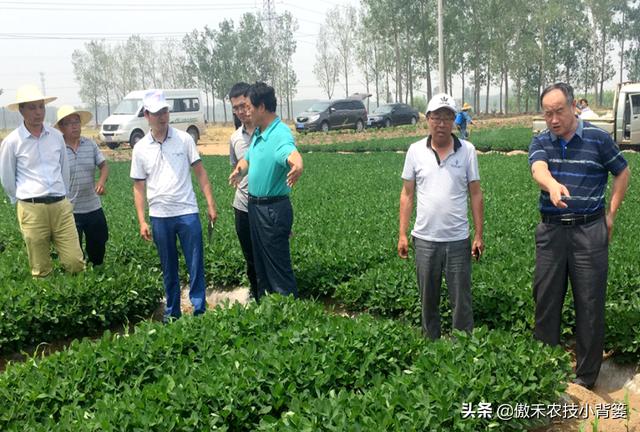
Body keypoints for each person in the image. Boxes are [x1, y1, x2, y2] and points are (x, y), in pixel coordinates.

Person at [528, 82, 630, 390]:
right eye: (548, 113)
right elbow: (538, 169)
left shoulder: (599, 139)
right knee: (545, 300)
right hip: (552, 232)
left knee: (589, 303)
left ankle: (586, 378)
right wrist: (552, 185)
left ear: (574, 107)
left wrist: (610, 214)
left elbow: (622, 172)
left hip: (589, 231)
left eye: (559, 111)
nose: (554, 119)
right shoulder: (541, 140)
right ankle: (544, 371)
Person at [398, 93, 484, 340]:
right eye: (437, 117)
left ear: (455, 121)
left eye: (448, 117)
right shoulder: (415, 151)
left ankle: (463, 349)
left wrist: (478, 235)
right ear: (428, 119)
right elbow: (407, 194)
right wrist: (402, 234)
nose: (442, 123)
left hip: (458, 239)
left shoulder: (467, 150)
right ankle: (431, 347)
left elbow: (476, 194)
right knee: (428, 301)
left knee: (462, 302)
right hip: (424, 239)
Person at [130, 89, 218, 321]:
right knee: (169, 267)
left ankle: (199, 310)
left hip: (187, 212)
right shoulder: (140, 149)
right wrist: (142, 220)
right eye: (157, 112)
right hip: (160, 216)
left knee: (196, 264)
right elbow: (138, 187)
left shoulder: (185, 139)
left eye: (165, 111)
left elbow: (200, 173)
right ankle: (173, 312)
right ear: (147, 115)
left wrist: (210, 203)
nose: (162, 116)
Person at [228, 82, 303, 301]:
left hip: (272, 209)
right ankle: (265, 312)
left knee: (277, 271)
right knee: (261, 267)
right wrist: (239, 169)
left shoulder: (279, 133)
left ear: (261, 107)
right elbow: (248, 158)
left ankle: (288, 315)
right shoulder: (261, 133)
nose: (246, 111)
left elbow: (291, 153)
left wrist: (297, 165)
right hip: (255, 207)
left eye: (249, 106)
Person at [0, 84, 84, 276]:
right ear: (21, 110)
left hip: (60, 206)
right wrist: (20, 199)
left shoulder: (56, 137)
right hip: (32, 208)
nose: (38, 112)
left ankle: (75, 300)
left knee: (75, 262)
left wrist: (64, 197)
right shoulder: (12, 142)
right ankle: (48, 301)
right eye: (32, 108)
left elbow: (64, 170)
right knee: (41, 268)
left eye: (41, 107)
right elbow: (6, 177)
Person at [55, 105, 109, 266]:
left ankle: (97, 271)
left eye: (77, 122)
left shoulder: (90, 145)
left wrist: (100, 182)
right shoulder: (57, 150)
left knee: (99, 244)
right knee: (74, 253)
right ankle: (80, 279)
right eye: (69, 123)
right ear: (61, 127)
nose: (75, 126)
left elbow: (104, 166)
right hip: (70, 210)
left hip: (93, 207)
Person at [228, 82, 258, 299]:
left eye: (243, 105)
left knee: (268, 255)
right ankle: (255, 294)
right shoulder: (235, 138)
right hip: (242, 206)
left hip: (266, 205)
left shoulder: (267, 131)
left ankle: (272, 298)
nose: (240, 112)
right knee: (250, 256)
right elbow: (236, 167)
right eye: (236, 108)